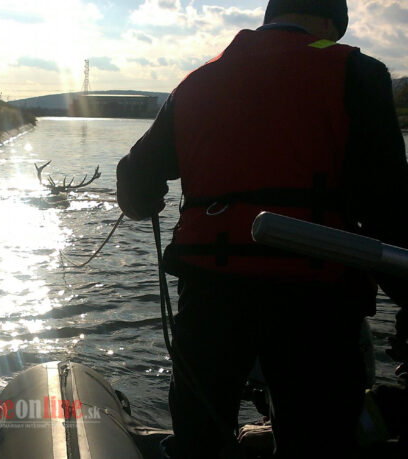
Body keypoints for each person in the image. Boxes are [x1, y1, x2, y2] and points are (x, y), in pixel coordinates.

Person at [115, 0, 408, 457]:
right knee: (318, 439)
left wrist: (147, 198)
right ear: (332, 24)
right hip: (317, 302)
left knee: (200, 439)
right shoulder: (358, 72)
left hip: (211, 296)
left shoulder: (197, 82)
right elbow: (390, 212)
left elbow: (133, 180)